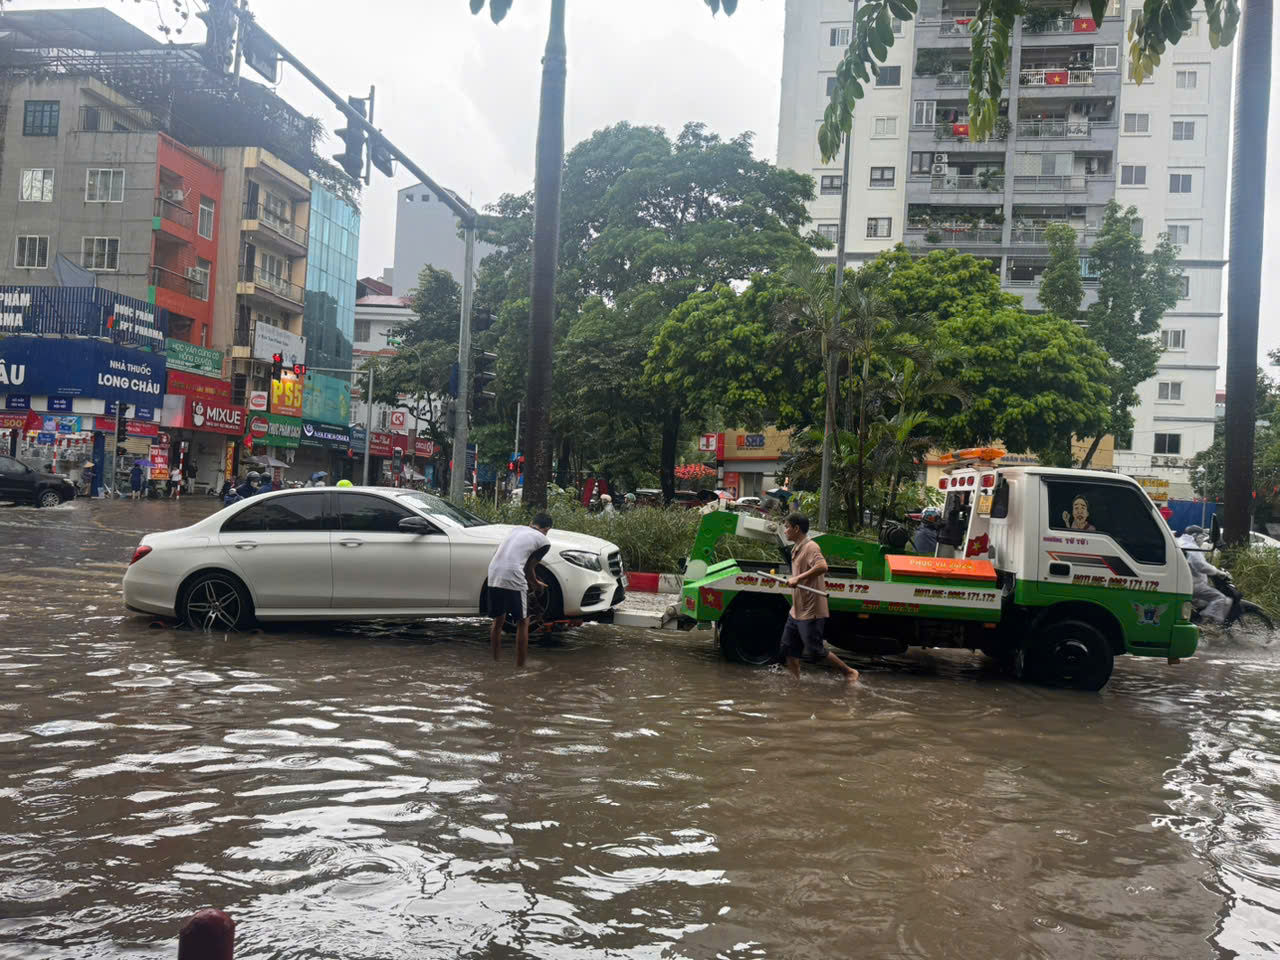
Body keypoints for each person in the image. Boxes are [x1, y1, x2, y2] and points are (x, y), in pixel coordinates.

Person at [779, 512, 859, 682]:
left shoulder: (811, 547)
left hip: (811, 610)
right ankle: (795, 683)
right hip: (797, 610)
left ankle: (849, 672)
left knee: (815, 650)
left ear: (796, 528)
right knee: (788, 648)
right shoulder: (796, 548)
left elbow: (822, 566)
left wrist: (798, 578)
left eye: (787, 527)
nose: (785, 531)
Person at [487, 512, 554, 668]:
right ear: (547, 529)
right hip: (513, 574)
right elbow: (529, 568)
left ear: (531, 522)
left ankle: (495, 661)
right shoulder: (544, 541)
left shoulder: (515, 530)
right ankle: (521, 667)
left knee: (498, 620)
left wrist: (532, 581)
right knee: (523, 622)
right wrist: (537, 584)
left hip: (494, 572)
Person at [1178, 525, 1231, 624]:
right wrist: (1218, 572)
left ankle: (1197, 619)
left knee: (1205, 601)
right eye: (1202, 537)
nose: (1202, 541)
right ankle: (1206, 623)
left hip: (1184, 582)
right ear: (1195, 536)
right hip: (1194, 585)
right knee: (1219, 598)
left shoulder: (1181, 542)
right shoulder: (1191, 546)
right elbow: (1201, 566)